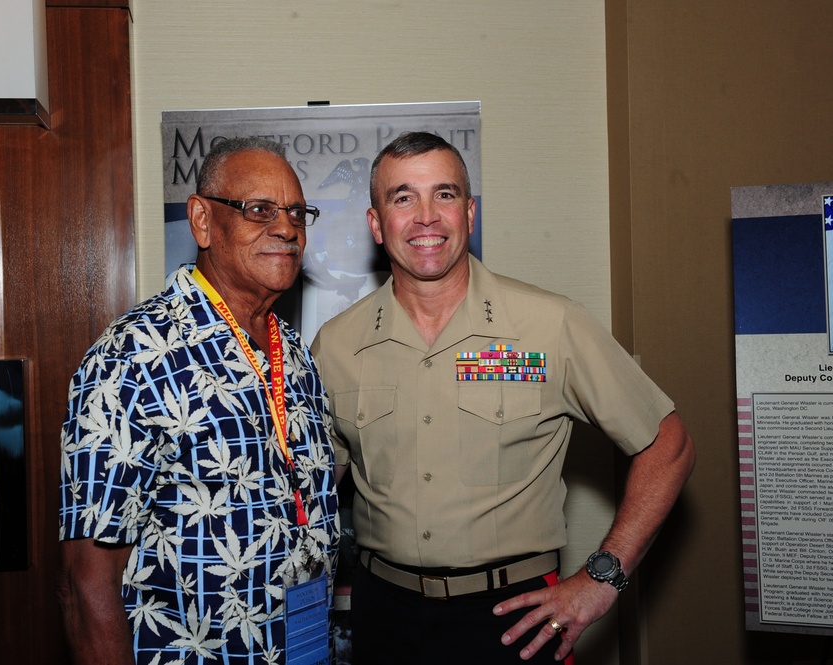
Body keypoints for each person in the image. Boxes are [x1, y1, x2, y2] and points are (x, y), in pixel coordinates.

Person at [311, 131, 695, 664]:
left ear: (469, 213)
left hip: (515, 620)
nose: (426, 216)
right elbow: (305, 484)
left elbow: (667, 445)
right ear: (377, 224)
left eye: (444, 194)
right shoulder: (337, 344)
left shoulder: (548, 326)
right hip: (383, 619)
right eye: (403, 197)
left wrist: (602, 578)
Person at [57, 137, 339, 665]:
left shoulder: (295, 353)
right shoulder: (134, 356)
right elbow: (85, 583)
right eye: (260, 210)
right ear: (203, 221)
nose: (286, 228)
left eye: (297, 213)